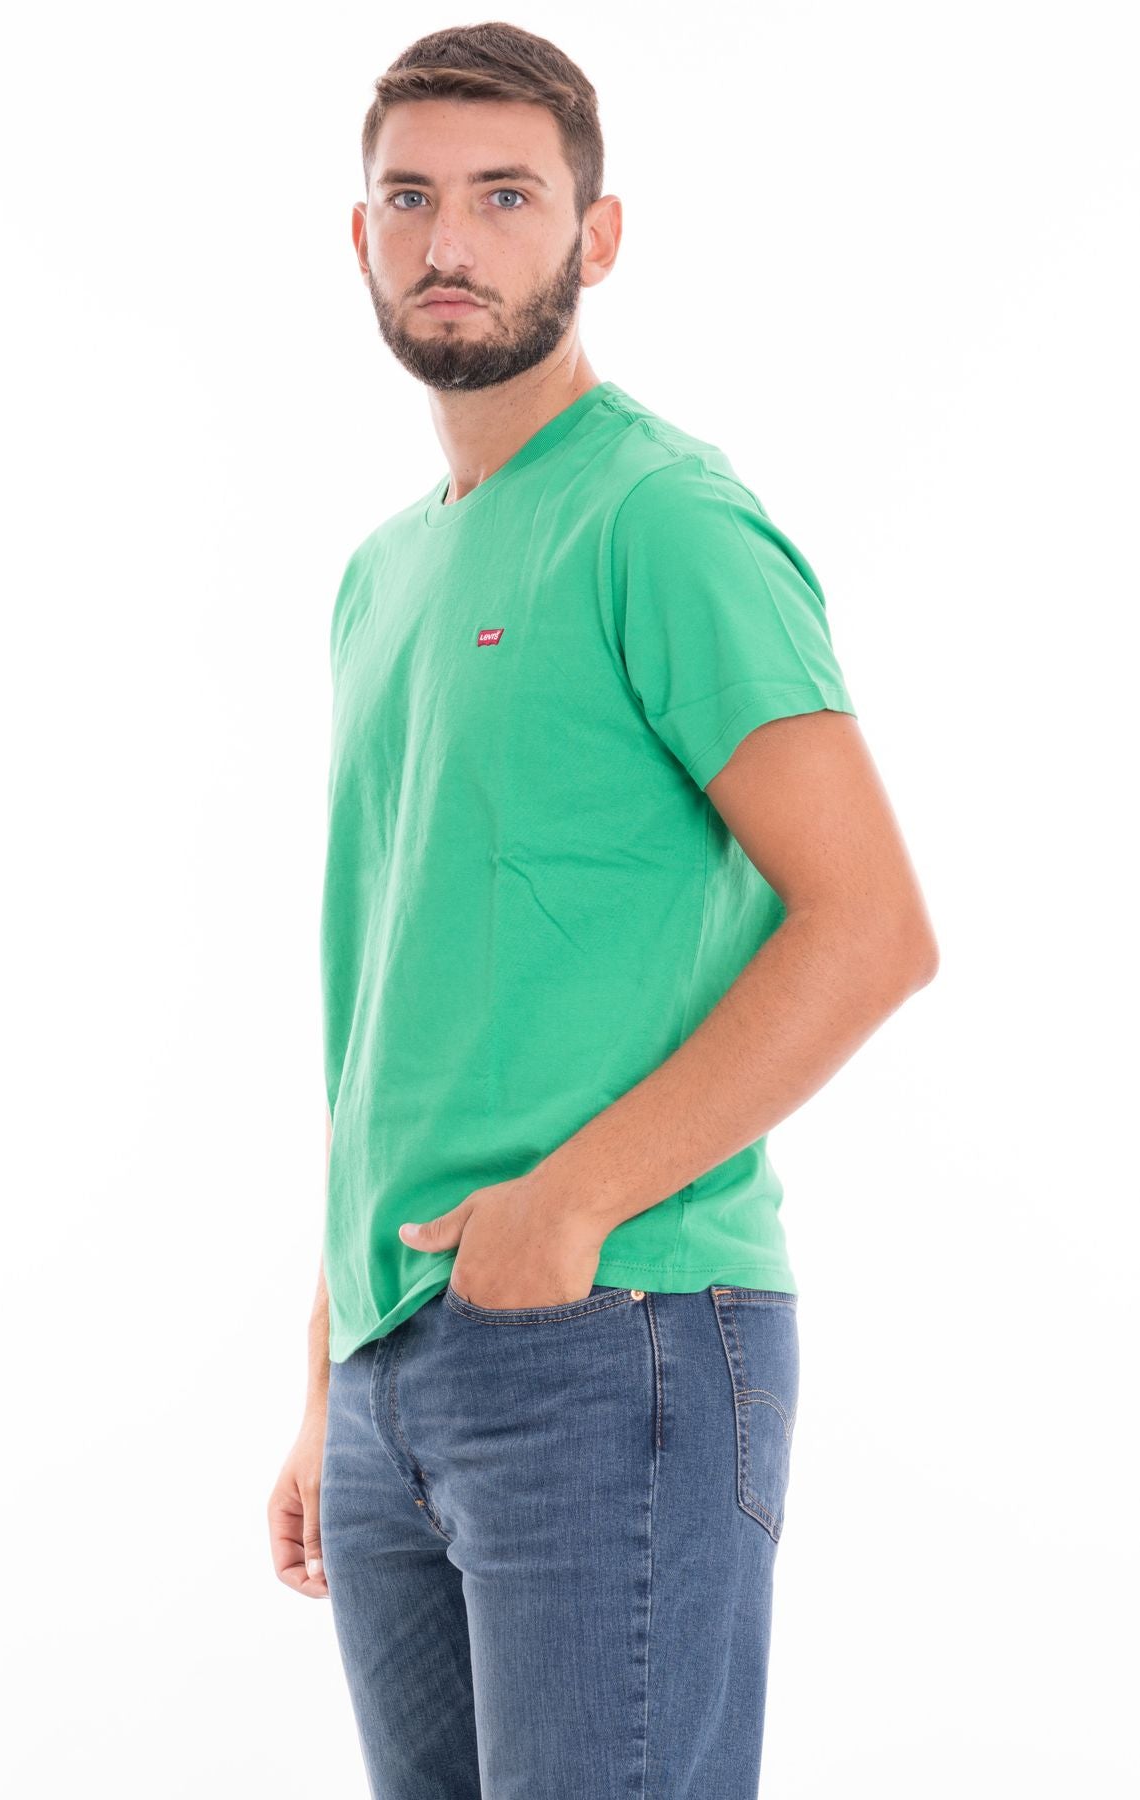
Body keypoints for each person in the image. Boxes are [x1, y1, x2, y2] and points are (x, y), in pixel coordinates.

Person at [268, 21, 939, 1799]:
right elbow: (386, 997)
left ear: (597, 234)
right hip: (395, 1362)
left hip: (611, 1330)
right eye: (408, 198)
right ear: (359, 237)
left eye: (506, 197)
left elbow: (870, 927)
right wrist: (329, 1369)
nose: (449, 241)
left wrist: (564, 1207)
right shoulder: (381, 573)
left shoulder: (662, 517)